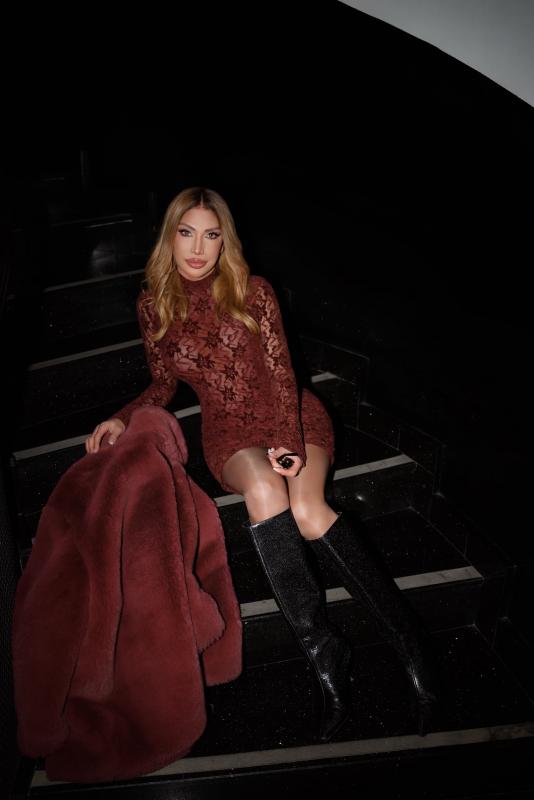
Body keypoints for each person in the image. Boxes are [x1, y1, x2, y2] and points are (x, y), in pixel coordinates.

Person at [85, 187, 438, 742]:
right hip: (228, 436)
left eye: (211, 235)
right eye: (186, 233)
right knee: (265, 492)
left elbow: (281, 375)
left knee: (308, 510)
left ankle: (412, 649)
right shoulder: (154, 305)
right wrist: (121, 417)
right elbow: (163, 384)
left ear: (224, 240)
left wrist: (288, 443)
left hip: (290, 413)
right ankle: (325, 658)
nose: (197, 248)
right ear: (169, 237)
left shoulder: (252, 290)